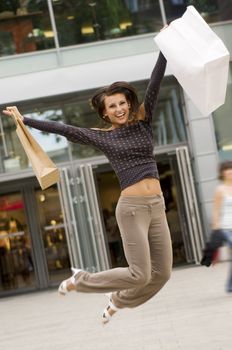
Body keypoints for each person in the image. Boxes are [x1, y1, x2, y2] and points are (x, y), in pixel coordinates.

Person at [2, 48, 172, 323]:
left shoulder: (143, 121)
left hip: (157, 206)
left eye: (121, 103)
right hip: (132, 209)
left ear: (128, 103)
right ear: (105, 113)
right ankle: (81, 280)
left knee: (162, 274)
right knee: (139, 274)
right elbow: (65, 130)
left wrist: (165, 48)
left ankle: (118, 300)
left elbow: (155, 82)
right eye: (112, 106)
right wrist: (25, 121)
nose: (118, 109)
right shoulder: (103, 137)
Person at [211, 160, 232, 293]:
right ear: (222, 173)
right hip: (226, 228)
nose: (229, 171)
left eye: (231, 169)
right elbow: (215, 211)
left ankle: (229, 285)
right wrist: (216, 230)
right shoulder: (220, 190)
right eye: (227, 169)